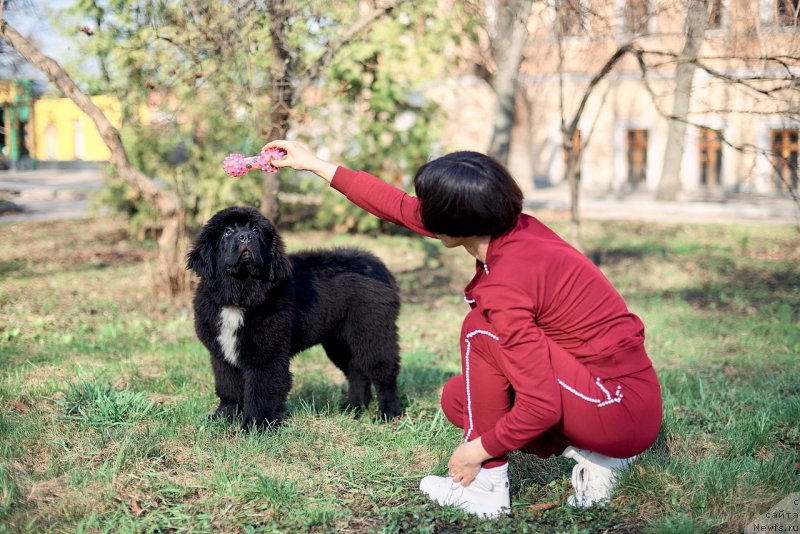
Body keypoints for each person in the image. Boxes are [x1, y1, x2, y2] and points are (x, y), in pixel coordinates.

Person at [261, 140, 663, 518]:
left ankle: (487, 489)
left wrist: (476, 453)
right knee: (461, 399)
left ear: (456, 222)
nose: (420, 211)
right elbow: (398, 207)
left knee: (479, 331)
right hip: (613, 396)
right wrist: (313, 163)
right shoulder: (512, 226)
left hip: (618, 406)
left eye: (430, 206)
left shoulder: (508, 281)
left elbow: (541, 405)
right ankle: (601, 458)